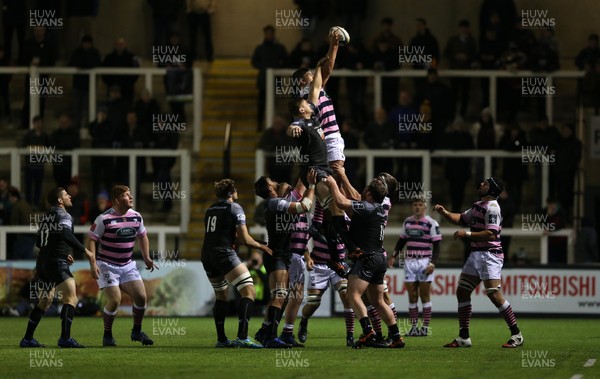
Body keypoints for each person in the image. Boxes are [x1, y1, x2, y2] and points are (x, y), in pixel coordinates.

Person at [435, 177, 524, 348]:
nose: (481, 184)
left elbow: (491, 234)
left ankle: (517, 334)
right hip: (476, 254)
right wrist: (445, 213)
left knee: (494, 295)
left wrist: (466, 234)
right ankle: (464, 337)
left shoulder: (492, 208)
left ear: (491, 190)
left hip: (490, 255)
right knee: (462, 292)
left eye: (486, 184)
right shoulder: (479, 205)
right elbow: (461, 218)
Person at [323, 175, 405, 348]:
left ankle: (368, 331)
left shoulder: (368, 207)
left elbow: (342, 203)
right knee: (378, 301)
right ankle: (396, 336)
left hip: (367, 258)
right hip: (379, 259)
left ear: (368, 193)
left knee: (353, 295)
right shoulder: (377, 208)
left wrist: (331, 184)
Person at [20, 187, 98, 348]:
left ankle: (27, 339)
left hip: (43, 262)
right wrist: (87, 252)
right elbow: (65, 234)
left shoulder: (46, 216)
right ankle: (65, 339)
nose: (70, 196)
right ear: (60, 200)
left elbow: (40, 243)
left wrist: (62, 252)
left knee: (45, 301)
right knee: (71, 298)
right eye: (66, 194)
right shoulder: (64, 215)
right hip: (55, 262)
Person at [201, 179, 271, 348]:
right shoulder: (235, 207)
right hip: (224, 254)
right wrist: (263, 246)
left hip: (207, 254)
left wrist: (255, 242)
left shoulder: (210, 210)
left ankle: (222, 340)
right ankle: (242, 337)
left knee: (222, 295)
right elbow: (245, 239)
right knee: (249, 291)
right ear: (231, 193)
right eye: (236, 189)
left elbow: (226, 236)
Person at [86, 185, 157, 347]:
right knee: (115, 300)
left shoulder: (136, 217)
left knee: (141, 297)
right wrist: (93, 263)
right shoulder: (104, 219)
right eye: (127, 195)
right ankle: (107, 335)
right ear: (117, 200)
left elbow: (143, 236)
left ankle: (137, 331)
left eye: (131, 194)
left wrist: (146, 257)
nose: (131, 197)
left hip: (127, 265)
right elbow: (91, 240)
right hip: (106, 265)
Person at [254, 171, 317, 348]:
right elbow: (303, 206)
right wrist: (312, 185)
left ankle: (265, 332)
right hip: (277, 254)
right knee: (280, 296)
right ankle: (271, 336)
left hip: (283, 254)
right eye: (271, 180)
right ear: (269, 188)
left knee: (279, 296)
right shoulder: (274, 203)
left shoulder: (278, 203)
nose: (275, 181)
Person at [390, 196, 441, 337]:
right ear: (412, 207)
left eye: (420, 204)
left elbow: (437, 246)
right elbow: (401, 241)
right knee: (412, 296)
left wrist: (433, 263)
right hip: (410, 262)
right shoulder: (408, 222)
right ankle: (413, 327)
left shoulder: (432, 223)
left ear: (425, 207)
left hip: (425, 261)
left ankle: (424, 327)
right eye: (415, 204)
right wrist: (394, 255)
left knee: (424, 295)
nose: (417, 207)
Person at [251, 25, 288, 131]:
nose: (269, 36)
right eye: (267, 34)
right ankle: (260, 123)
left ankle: (273, 125)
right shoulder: (260, 48)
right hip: (263, 80)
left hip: (275, 80)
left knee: (274, 104)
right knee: (261, 104)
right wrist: (264, 67)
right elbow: (254, 62)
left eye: (270, 34)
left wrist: (277, 66)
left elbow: (286, 60)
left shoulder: (279, 48)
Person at [444, 20, 478, 118]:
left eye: (465, 28)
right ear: (459, 29)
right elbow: (446, 53)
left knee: (465, 94)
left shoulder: (472, 41)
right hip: (454, 70)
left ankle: (462, 114)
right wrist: (456, 56)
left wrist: (467, 57)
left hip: (467, 71)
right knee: (453, 94)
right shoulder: (452, 40)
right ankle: (452, 114)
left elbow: (475, 54)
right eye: (462, 28)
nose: (463, 30)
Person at [68, 35, 102, 129]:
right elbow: (72, 63)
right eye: (85, 43)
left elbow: (97, 64)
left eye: (88, 43)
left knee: (88, 107)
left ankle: (88, 126)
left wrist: (84, 65)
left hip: (89, 86)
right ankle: (76, 127)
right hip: (78, 85)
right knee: (76, 107)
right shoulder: (77, 53)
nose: (86, 45)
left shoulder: (95, 53)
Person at [22, 115, 50, 209]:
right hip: (29, 165)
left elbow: (48, 148)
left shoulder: (45, 136)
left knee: (38, 185)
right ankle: (28, 204)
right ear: (33, 124)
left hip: (40, 165)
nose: (38, 125)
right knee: (29, 186)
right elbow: (24, 148)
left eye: (40, 123)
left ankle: (36, 203)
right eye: (36, 123)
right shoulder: (28, 135)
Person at [102, 38, 140, 105]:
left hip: (127, 88)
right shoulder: (109, 57)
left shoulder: (132, 57)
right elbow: (103, 72)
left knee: (127, 106)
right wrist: (110, 83)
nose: (120, 46)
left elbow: (136, 71)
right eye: (118, 44)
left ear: (125, 45)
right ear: (115, 45)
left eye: (121, 44)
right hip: (112, 87)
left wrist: (129, 83)